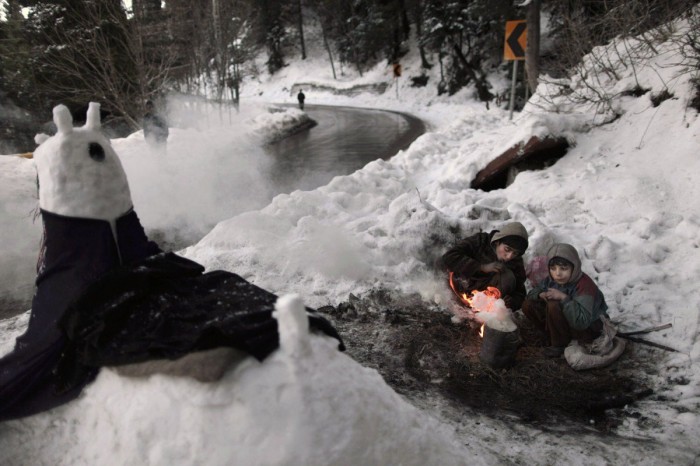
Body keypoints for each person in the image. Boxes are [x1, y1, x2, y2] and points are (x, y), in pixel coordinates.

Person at [522, 243, 609, 358]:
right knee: (529, 304)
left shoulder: (584, 285)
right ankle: (549, 334)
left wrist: (564, 298)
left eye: (563, 268)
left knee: (554, 305)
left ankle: (559, 345)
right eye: (553, 268)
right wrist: (540, 294)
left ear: (575, 267)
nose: (557, 273)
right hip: (567, 324)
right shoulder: (551, 280)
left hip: (589, 329)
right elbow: (531, 295)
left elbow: (582, 322)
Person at [437, 221, 529, 310]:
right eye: (507, 249)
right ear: (497, 241)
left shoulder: (516, 261)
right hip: (460, 286)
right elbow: (449, 256)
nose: (509, 256)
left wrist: (513, 302)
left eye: (515, 253)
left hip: (484, 301)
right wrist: (480, 267)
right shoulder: (481, 241)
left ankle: (484, 310)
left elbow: (520, 291)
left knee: (508, 276)